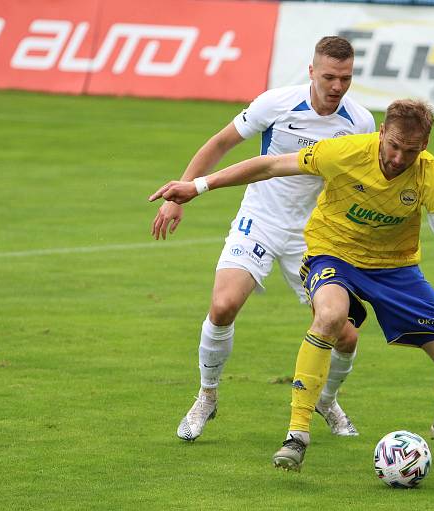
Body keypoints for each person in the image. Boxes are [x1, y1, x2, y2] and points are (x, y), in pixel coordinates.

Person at [149, 99, 434, 471]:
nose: (399, 157)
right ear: (381, 133)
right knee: (331, 316)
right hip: (332, 255)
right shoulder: (345, 152)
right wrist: (199, 185)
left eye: (411, 151)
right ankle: (296, 435)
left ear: (424, 146)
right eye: (394, 145)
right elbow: (269, 165)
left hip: (396, 269)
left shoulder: (431, 178)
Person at [151, 36, 376, 442]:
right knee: (222, 306)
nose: (337, 86)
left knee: (345, 333)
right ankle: (206, 396)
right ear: (311, 72)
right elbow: (221, 143)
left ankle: (326, 399)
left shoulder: (360, 123)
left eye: (345, 77)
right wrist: (179, 195)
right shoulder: (276, 103)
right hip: (260, 220)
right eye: (329, 76)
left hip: (314, 236)